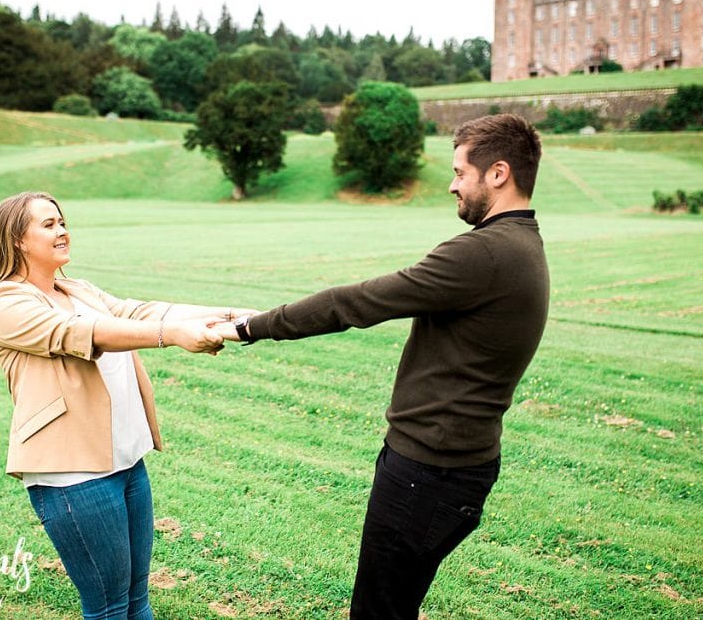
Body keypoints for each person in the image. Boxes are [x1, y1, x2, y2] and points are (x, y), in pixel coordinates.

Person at [216, 114, 550, 619]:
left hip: (431, 470)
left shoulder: (484, 254)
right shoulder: (521, 243)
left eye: (461, 172)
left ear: (498, 173)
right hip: (451, 464)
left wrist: (251, 326)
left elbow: (359, 302)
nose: (452, 184)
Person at [0, 191, 252, 620]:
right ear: (17, 239)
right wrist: (172, 335)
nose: (63, 231)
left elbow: (141, 311)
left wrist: (234, 314)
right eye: (48, 225)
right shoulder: (5, 302)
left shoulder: (79, 289)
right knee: (108, 608)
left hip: (125, 463)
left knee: (137, 600)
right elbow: (85, 332)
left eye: (62, 221)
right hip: (72, 477)